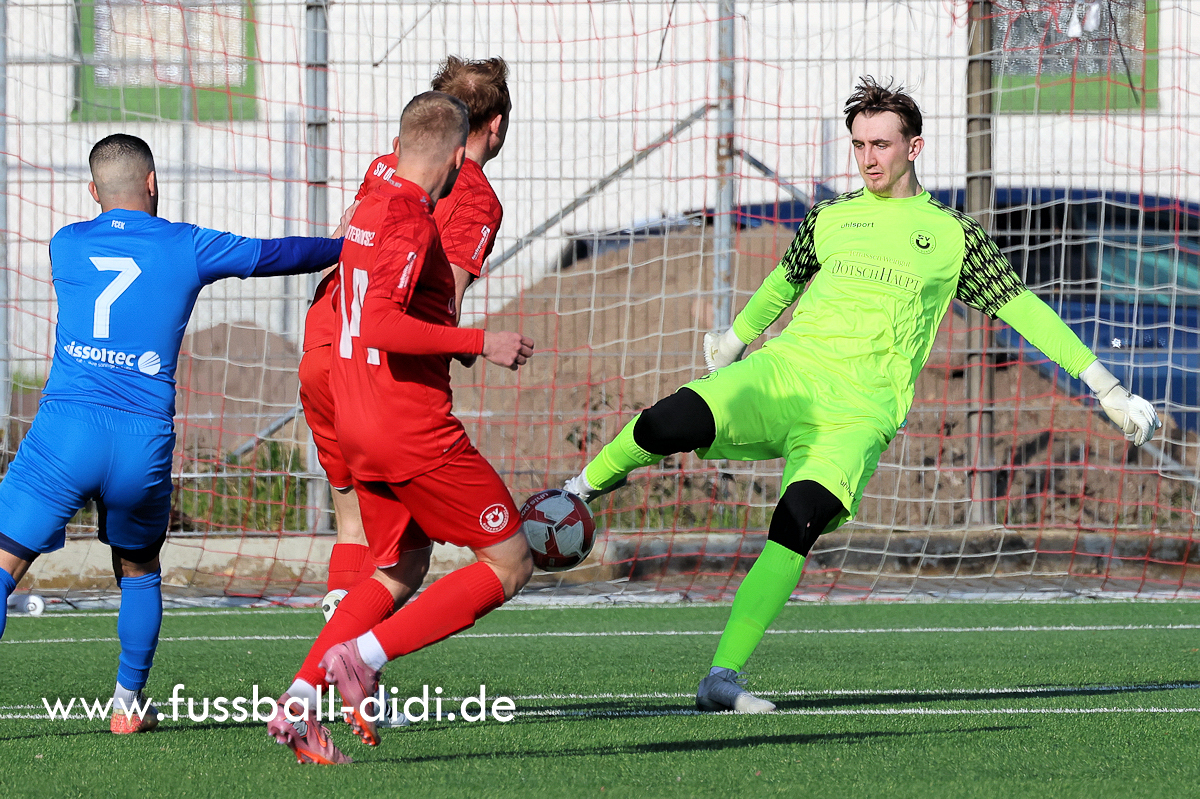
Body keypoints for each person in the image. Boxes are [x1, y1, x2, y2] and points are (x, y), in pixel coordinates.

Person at [563, 76, 1162, 713]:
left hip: (858, 414)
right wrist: (734, 340)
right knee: (666, 422)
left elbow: (1026, 311)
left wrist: (1106, 387)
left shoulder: (953, 236)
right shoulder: (830, 217)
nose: (868, 158)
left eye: (881, 144)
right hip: (785, 375)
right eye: (858, 145)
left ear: (914, 147)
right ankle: (574, 494)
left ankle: (722, 676)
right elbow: (784, 282)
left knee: (798, 519)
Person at [0, 134, 344, 733]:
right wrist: (346, 244)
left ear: (93, 192)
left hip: (66, 435)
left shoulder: (65, 243)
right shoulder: (187, 245)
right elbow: (277, 254)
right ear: (153, 182)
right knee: (140, 571)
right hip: (141, 442)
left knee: (3, 569)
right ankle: (128, 704)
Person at [267, 91, 534, 765]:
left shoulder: (371, 199)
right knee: (510, 561)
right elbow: (383, 321)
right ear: (457, 155)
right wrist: (479, 340)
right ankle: (361, 656)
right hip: (408, 426)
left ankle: (298, 700)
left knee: (399, 565)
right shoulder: (413, 219)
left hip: (355, 416)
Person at [301, 55, 511, 623]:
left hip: (325, 343)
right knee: (405, 556)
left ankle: (340, 634)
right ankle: (354, 652)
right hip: (382, 376)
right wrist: (468, 344)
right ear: (494, 126)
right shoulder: (477, 199)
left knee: (352, 525)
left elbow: (345, 243)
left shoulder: (387, 166)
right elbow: (448, 298)